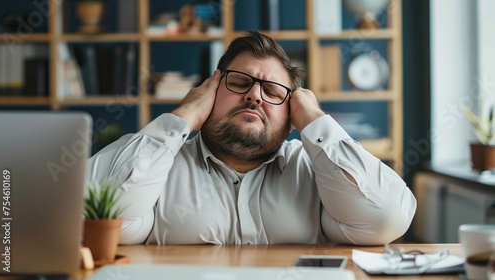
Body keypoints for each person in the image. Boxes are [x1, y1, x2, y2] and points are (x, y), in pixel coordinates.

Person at [86, 31, 416, 246]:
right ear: (210, 93)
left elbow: (386, 218)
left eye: (272, 91)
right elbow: (91, 216)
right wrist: (183, 114)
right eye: (240, 83)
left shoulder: (318, 173)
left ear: (291, 117)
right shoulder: (157, 165)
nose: (255, 96)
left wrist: (315, 120)